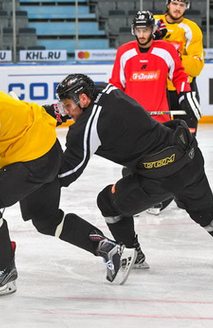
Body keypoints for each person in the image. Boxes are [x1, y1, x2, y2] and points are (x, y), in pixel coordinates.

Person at [0, 63, 136, 299]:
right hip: (43, 150)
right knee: (46, 219)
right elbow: (18, 111)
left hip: (33, 159)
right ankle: (111, 249)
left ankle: (4, 271)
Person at [55, 73, 213, 275]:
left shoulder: (86, 128)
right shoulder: (105, 89)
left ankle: (132, 253)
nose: (67, 112)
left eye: (68, 105)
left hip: (161, 176)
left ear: (83, 99)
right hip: (188, 156)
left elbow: (67, 173)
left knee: (108, 202)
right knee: (207, 215)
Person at [109, 10, 200, 218]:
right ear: (134, 30)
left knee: (162, 162)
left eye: (146, 30)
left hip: (159, 120)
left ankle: (160, 197)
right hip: (132, 120)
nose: (142, 34)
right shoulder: (124, 52)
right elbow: (116, 84)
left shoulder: (166, 50)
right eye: (139, 30)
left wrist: (185, 93)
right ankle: (132, 199)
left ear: (153, 30)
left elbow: (179, 75)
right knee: (133, 163)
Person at [154, 0, 203, 135]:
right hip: (159, 89)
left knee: (187, 136)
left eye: (182, 5)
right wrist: (155, 40)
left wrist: (172, 56)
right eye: (175, 4)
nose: (178, 8)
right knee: (159, 137)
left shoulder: (192, 29)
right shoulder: (154, 22)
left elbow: (196, 67)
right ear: (168, 4)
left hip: (184, 89)